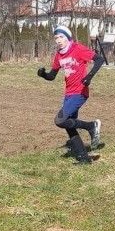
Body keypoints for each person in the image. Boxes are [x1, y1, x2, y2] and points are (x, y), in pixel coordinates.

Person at [37, 25, 104, 164]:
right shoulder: (59, 55)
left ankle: (91, 126)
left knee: (60, 121)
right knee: (69, 125)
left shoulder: (77, 49)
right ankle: (83, 158)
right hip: (68, 94)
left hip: (80, 92)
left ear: (67, 37)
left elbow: (99, 59)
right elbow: (52, 76)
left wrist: (89, 76)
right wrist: (43, 75)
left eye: (61, 37)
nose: (58, 40)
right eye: (56, 37)